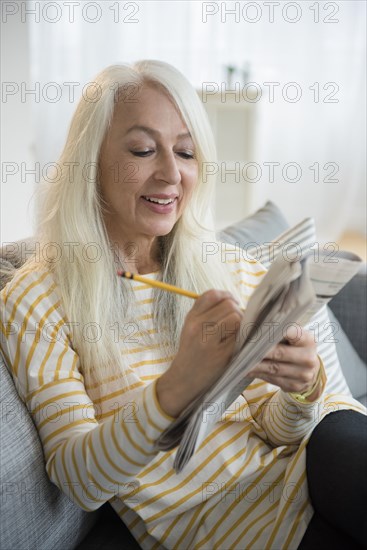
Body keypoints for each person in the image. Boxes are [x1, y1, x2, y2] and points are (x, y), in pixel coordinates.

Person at [1, 60, 366, 550]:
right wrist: (176, 386)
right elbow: (81, 480)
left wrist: (301, 390)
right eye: (143, 149)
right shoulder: (37, 299)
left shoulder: (222, 264)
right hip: (231, 524)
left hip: (319, 457)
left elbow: (281, 433)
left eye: (187, 152)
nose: (172, 173)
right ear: (90, 163)